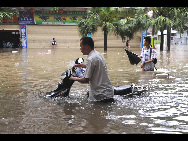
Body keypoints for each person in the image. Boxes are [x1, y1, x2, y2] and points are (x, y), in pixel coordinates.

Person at [69, 37, 114, 102]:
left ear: (87, 47)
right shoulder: (97, 54)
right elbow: (91, 66)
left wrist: (73, 78)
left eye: (81, 46)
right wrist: (78, 65)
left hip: (101, 95)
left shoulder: (90, 59)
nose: (80, 49)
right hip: (107, 92)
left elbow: (86, 79)